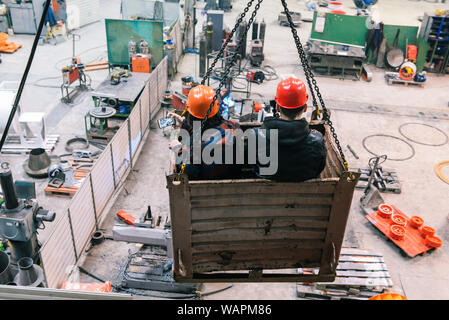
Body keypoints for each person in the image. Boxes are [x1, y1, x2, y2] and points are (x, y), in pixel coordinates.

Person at [254, 77, 327, 182]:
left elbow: (256, 168)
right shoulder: (317, 140)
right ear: (305, 108)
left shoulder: (258, 137)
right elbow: (319, 169)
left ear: (278, 107)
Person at [168, 85, 241, 180]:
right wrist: (184, 123)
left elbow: (187, 172)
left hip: (211, 182)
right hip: (231, 173)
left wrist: (178, 148)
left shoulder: (199, 147)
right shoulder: (233, 125)